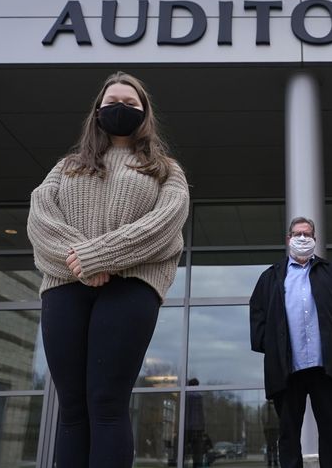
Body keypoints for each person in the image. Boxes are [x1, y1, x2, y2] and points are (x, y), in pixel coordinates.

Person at [27, 71, 190, 468]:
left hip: (131, 287)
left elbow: (166, 223)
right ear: (98, 111)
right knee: (72, 408)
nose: (121, 108)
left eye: (131, 103)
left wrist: (100, 257)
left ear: (145, 113)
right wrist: (81, 262)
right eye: (113, 101)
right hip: (64, 286)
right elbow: (40, 217)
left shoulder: (164, 169)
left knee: (106, 403)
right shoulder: (66, 166)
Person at [249, 217, 332, 468]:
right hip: (287, 370)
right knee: (288, 434)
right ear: (288, 238)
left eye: (308, 234)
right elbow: (257, 319)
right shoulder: (270, 277)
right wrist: (273, 348)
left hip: (327, 369)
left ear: (315, 239)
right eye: (297, 233)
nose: (302, 238)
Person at [185, 378, 207, 468]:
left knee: (185, 450)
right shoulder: (198, 397)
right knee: (197, 452)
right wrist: (202, 426)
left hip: (188, 427)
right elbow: (201, 414)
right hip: (197, 428)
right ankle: (197, 465)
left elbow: (186, 412)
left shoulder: (186, 396)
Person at [262, 399, 280, 467]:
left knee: (271, 445)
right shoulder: (268, 406)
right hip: (271, 428)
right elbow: (263, 417)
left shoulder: (267, 406)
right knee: (271, 445)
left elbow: (263, 417)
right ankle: (272, 461)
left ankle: (272, 461)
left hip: (272, 428)